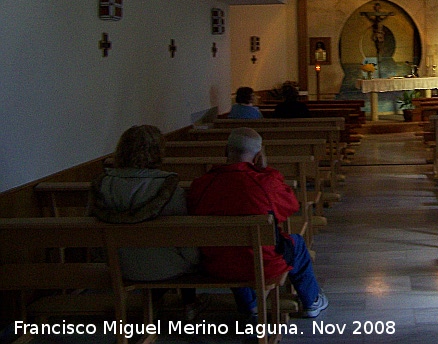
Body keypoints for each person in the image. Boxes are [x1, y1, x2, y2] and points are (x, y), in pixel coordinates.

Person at [187, 127, 328, 319]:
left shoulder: (201, 184)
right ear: (258, 156)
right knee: (296, 244)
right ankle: (311, 301)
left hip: (216, 264)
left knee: (231, 249)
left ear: (225, 152)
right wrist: (266, 170)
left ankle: (250, 305)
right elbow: (292, 206)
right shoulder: (265, 182)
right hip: (264, 263)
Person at [89, 125, 206, 320]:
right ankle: (189, 304)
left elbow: (92, 232)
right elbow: (182, 234)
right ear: (157, 151)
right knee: (189, 254)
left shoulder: (103, 184)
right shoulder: (167, 186)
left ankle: (154, 303)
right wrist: (195, 260)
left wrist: (105, 258)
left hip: (120, 265)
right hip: (167, 266)